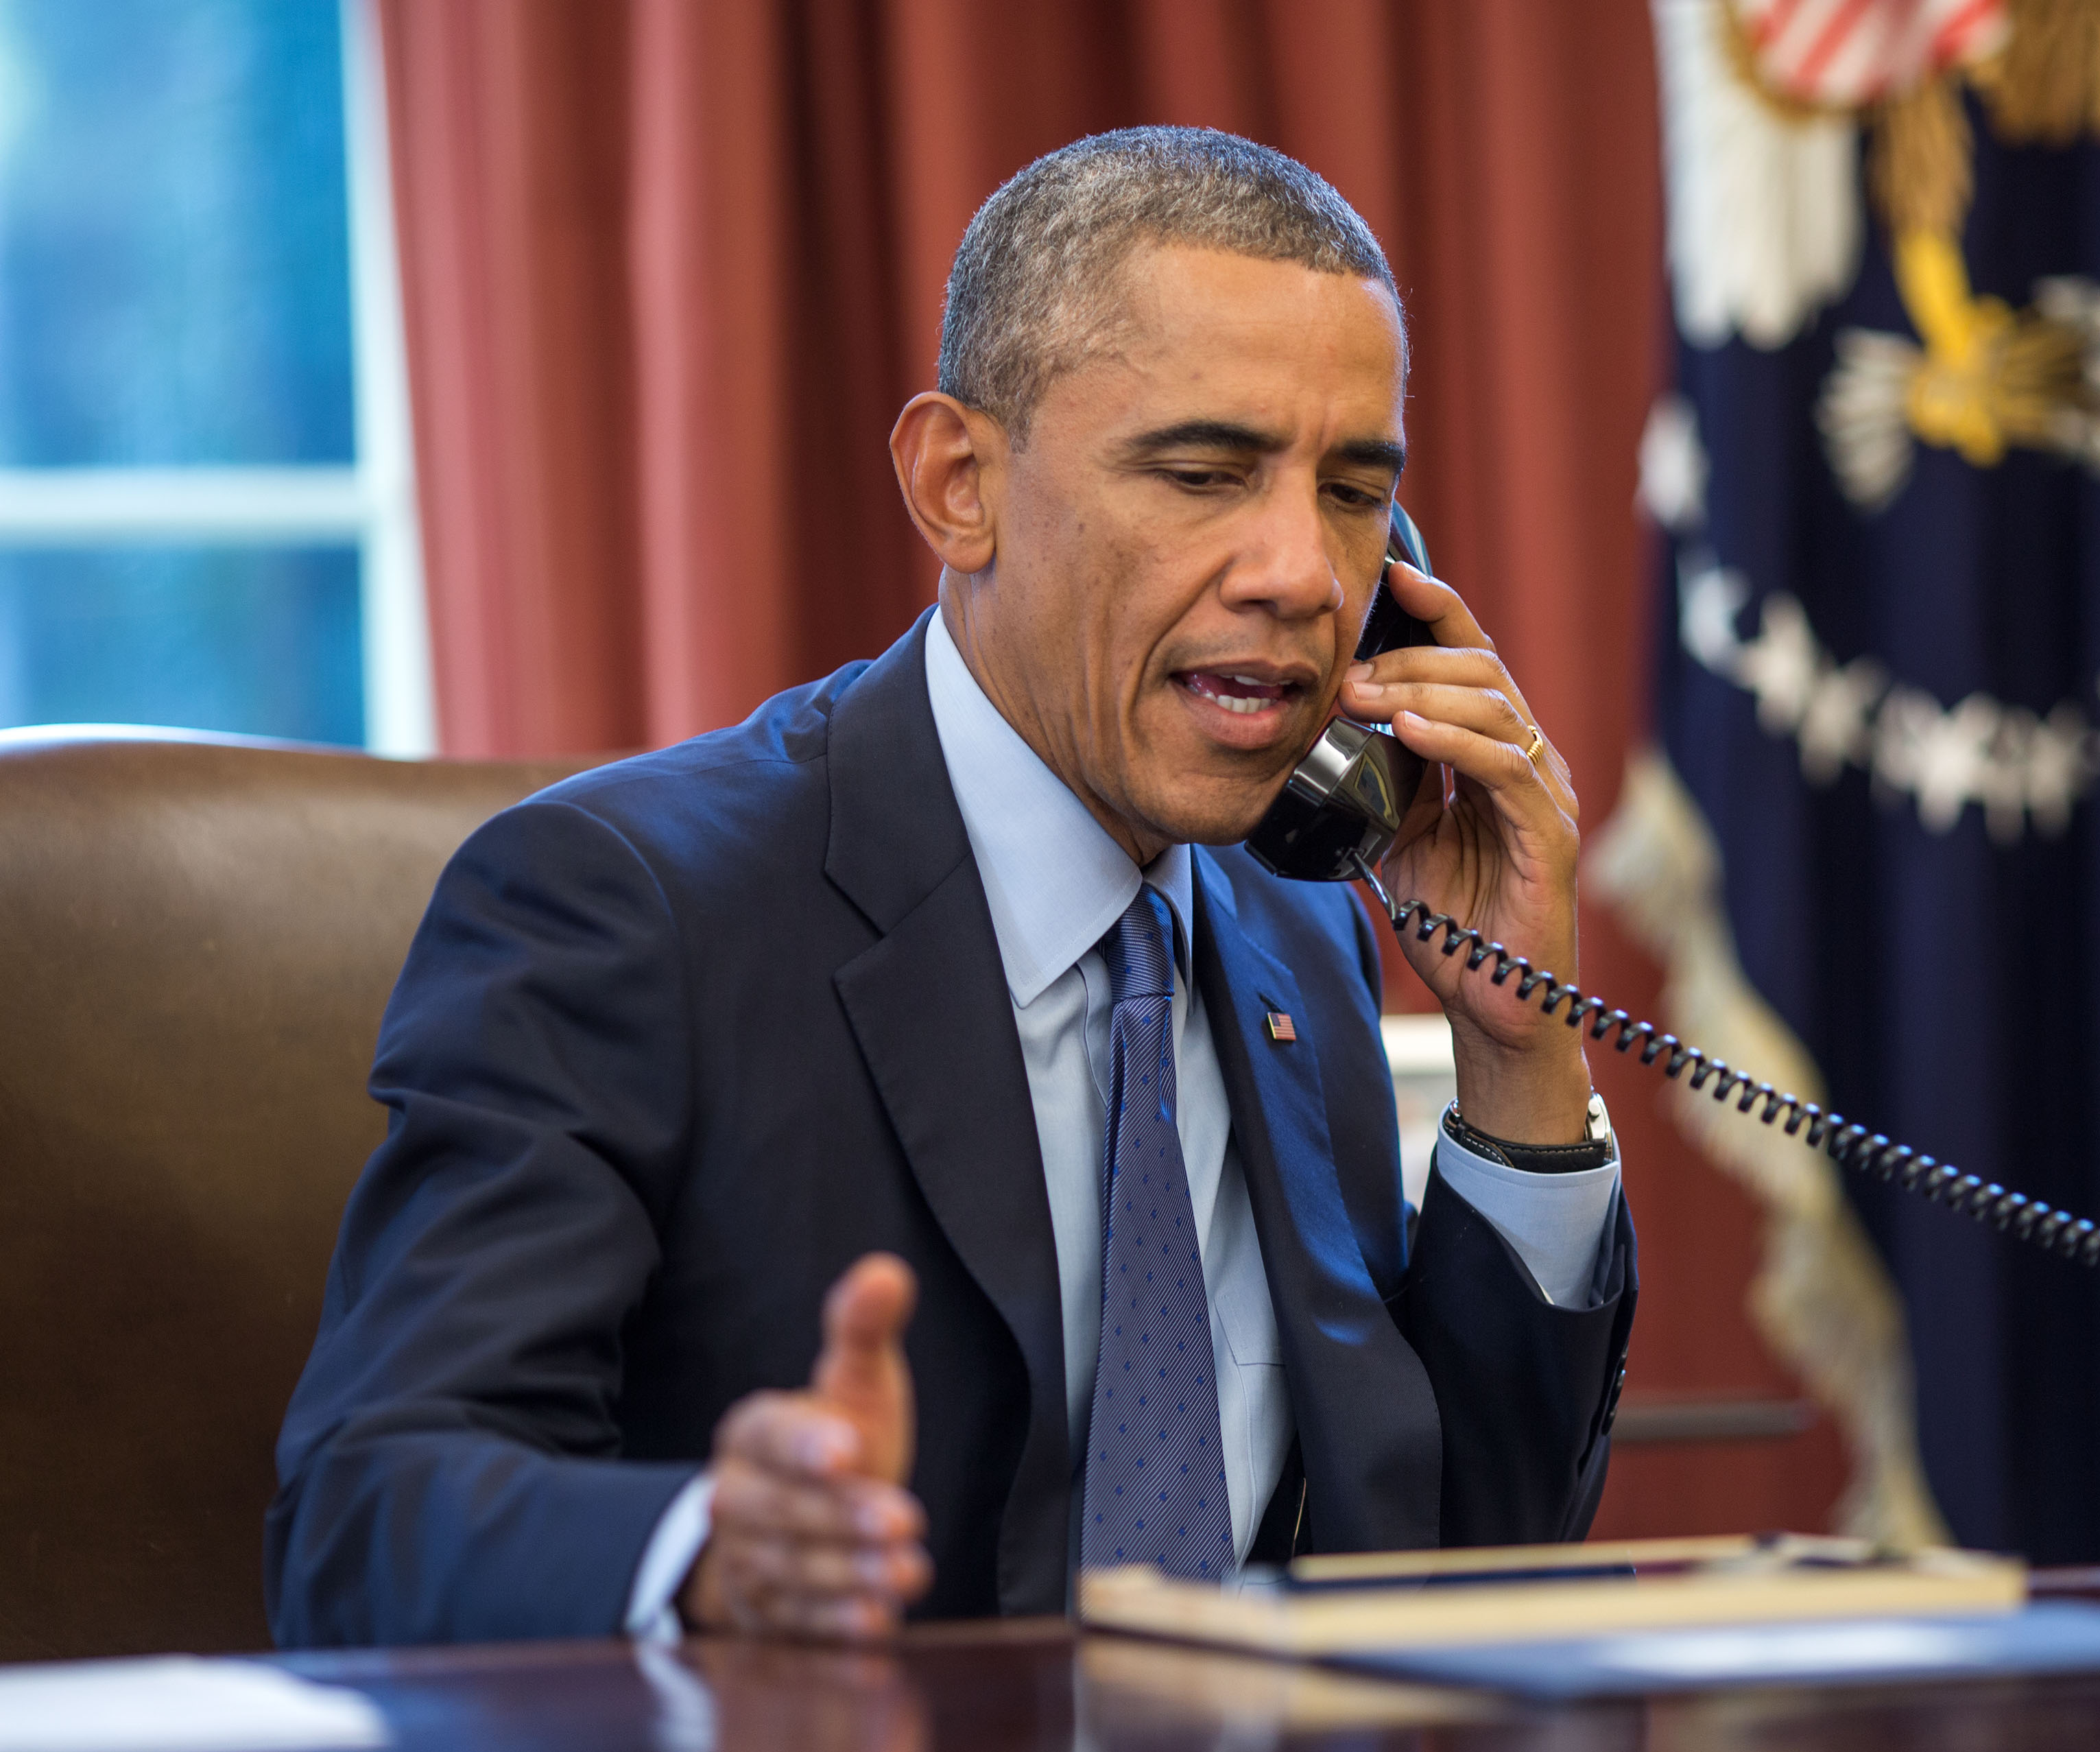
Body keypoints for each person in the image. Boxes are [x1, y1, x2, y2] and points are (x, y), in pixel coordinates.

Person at [266, 126, 1636, 1646]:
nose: (1304, 576)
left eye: (1351, 493)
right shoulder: (623, 908)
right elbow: (362, 1517)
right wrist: (713, 1549)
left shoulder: (1292, 910)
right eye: (1203, 472)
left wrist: (1522, 1050)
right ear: (956, 484)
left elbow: (1453, 1564)